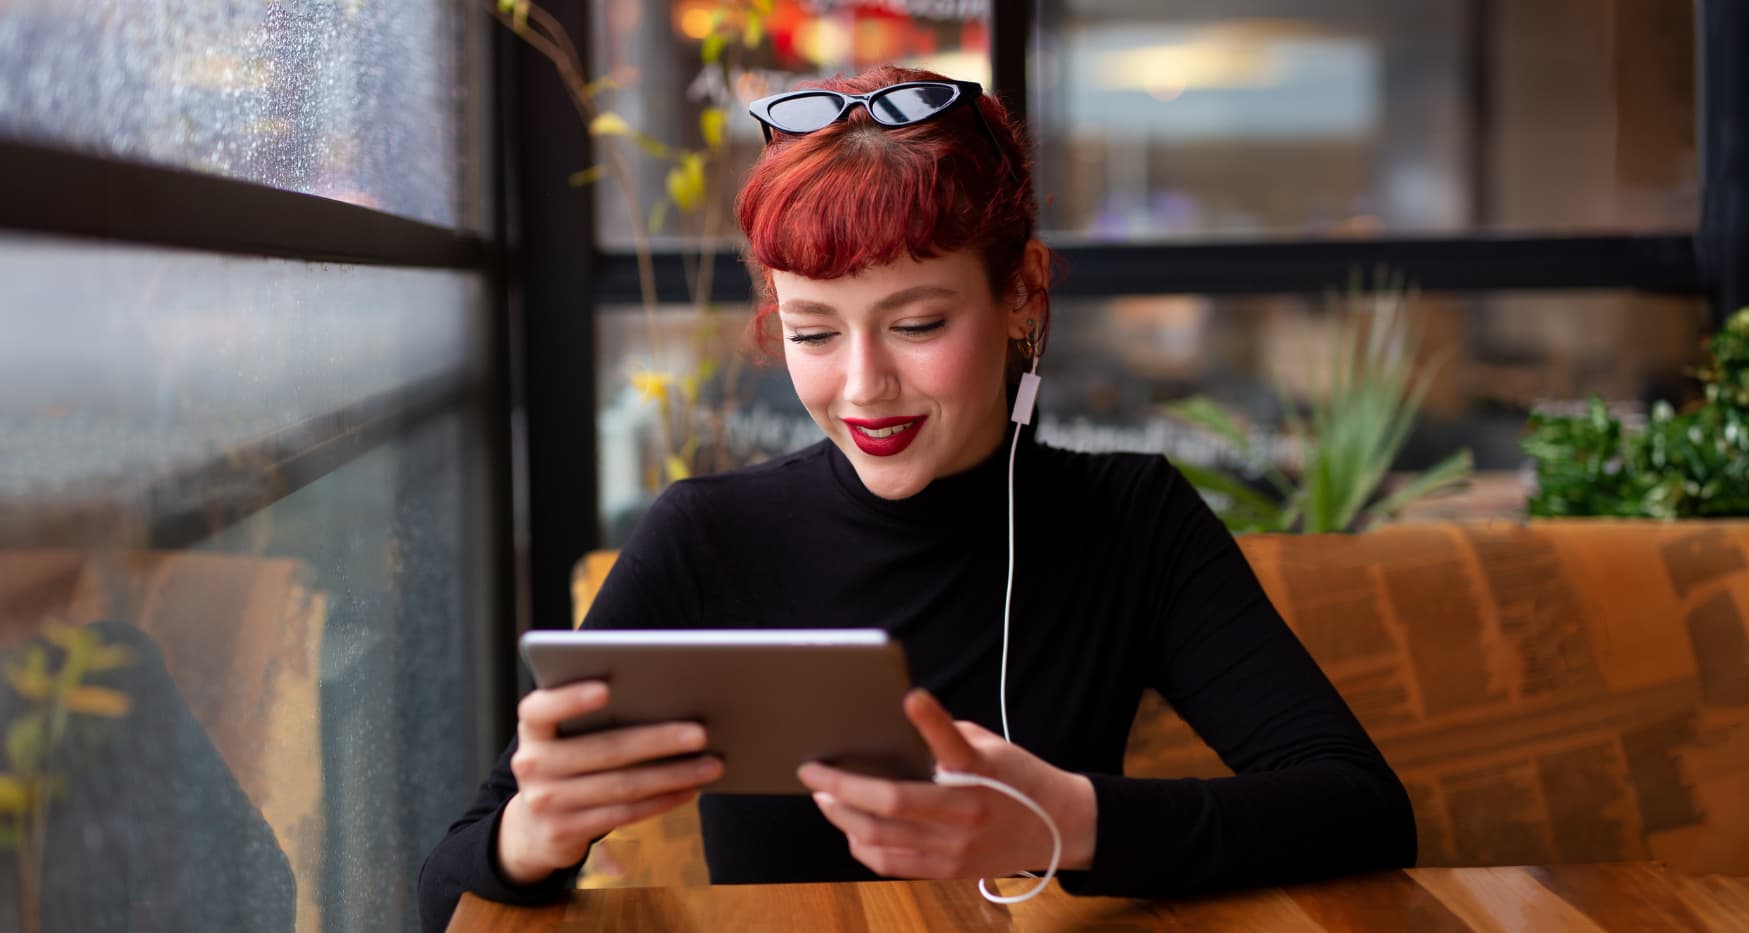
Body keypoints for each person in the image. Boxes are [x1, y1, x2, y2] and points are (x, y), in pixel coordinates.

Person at [418, 64, 1415, 931]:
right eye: (812, 332)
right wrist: (530, 835)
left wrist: (1064, 819)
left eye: (917, 321)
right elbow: (443, 889)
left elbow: (1363, 807)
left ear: (1021, 291)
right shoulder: (708, 535)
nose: (861, 387)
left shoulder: (1130, 519)